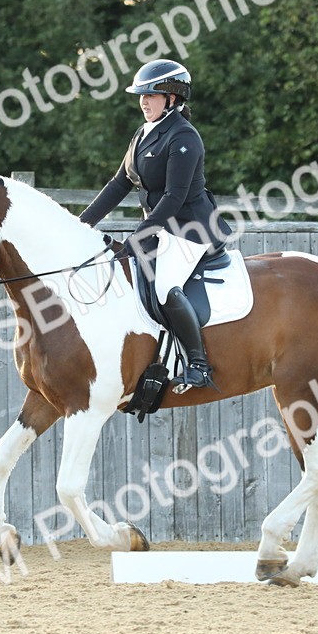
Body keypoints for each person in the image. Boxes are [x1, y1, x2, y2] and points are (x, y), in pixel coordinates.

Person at [79, 59, 234, 390]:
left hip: (191, 230)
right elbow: (118, 184)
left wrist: (140, 237)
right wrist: (80, 224)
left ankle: (198, 365)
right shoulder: (143, 133)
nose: (143, 102)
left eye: (151, 95)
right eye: (142, 96)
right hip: (162, 228)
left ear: (172, 98)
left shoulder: (184, 137)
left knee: (164, 286)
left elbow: (175, 197)